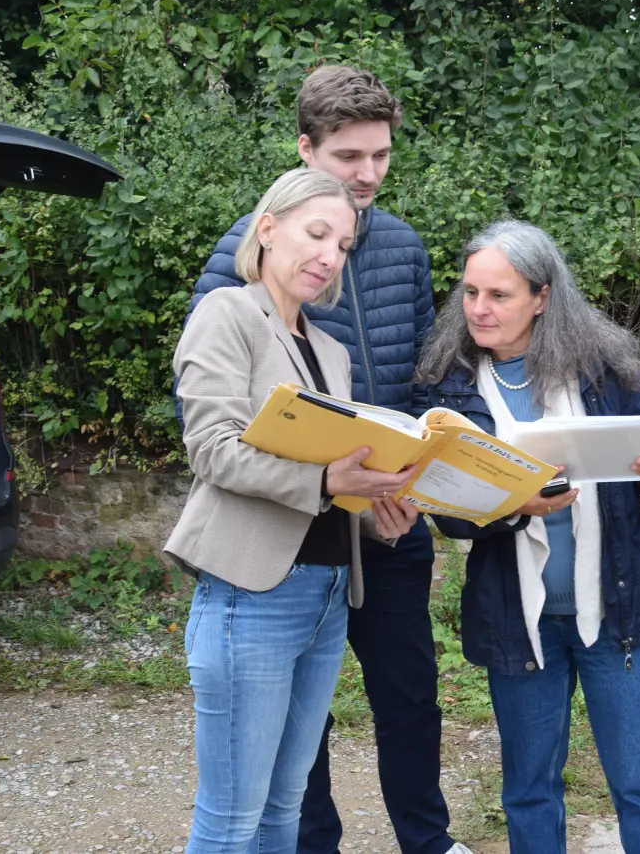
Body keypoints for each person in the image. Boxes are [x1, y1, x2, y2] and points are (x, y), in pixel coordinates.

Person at [182, 66, 469, 854]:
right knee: (268, 781)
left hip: (366, 537)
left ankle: (428, 841)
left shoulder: (382, 275)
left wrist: (408, 482)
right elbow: (212, 426)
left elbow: (420, 379)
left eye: (381, 156)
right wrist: (322, 481)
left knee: (405, 699)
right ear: (303, 157)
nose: (369, 175)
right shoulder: (234, 285)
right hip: (273, 555)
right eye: (349, 158)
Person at [415, 220, 640, 854]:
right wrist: (515, 505)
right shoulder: (447, 386)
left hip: (620, 611)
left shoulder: (602, 367)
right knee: (529, 790)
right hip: (520, 621)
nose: (479, 310)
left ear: (542, 296)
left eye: (499, 295)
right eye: (470, 293)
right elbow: (451, 516)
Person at [166, 167, 421, 853]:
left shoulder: (331, 352)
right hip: (253, 596)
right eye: (316, 234)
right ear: (268, 227)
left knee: (285, 812)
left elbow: (329, 480)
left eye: (341, 244)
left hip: (329, 594)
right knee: (230, 821)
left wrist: (374, 510)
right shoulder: (225, 314)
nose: (328, 256)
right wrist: (325, 481)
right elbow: (212, 451)